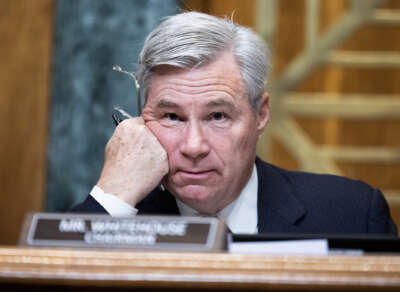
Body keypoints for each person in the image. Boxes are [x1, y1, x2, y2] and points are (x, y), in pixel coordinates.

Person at [72, 11, 397, 235]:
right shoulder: (114, 217)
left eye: (217, 116)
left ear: (261, 114)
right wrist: (112, 199)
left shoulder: (352, 215)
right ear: (142, 122)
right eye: (172, 117)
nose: (193, 146)